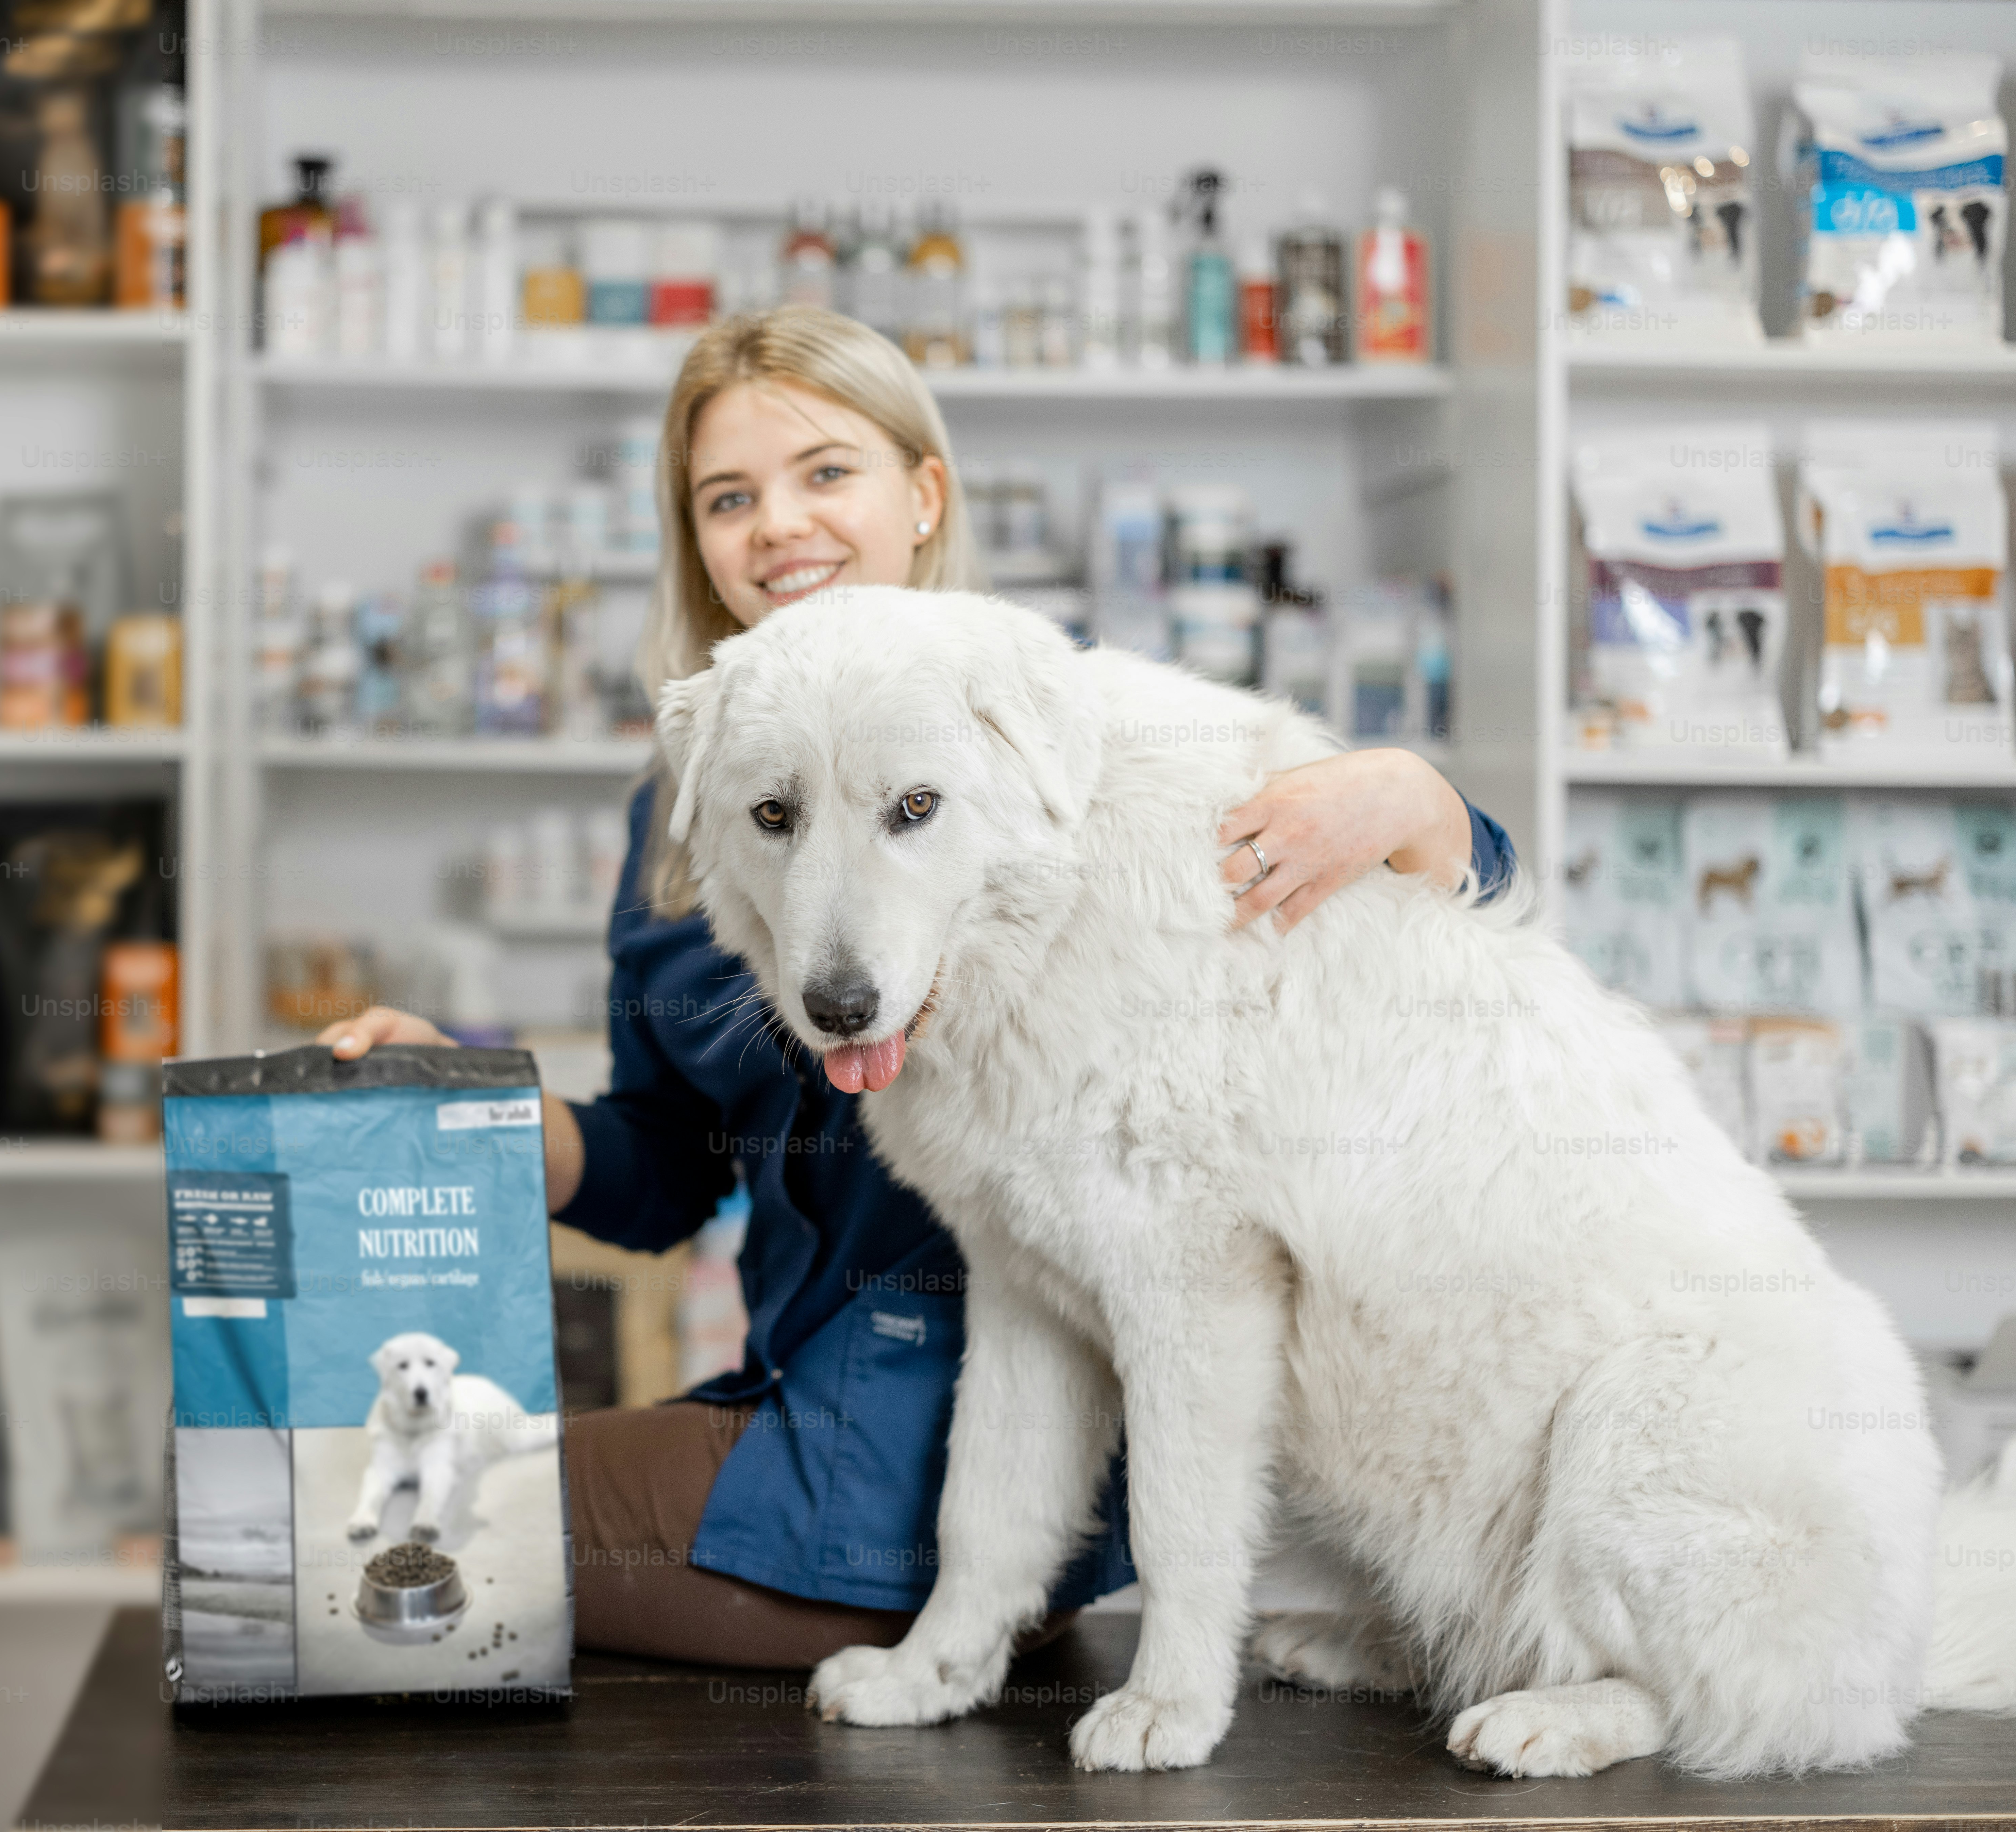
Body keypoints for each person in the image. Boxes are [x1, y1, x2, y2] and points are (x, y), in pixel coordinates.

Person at [321, 305, 1514, 1669]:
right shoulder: (694, 799)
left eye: (826, 472)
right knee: (393, 1522)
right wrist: (466, 1105)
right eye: (729, 496)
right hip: (808, 1408)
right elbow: (661, 1166)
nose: (778, 523)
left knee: (398, 1524)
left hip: (924, 1452)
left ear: (923, 494)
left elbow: (1430, 942)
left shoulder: (1057, 720)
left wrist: (1423, 804)